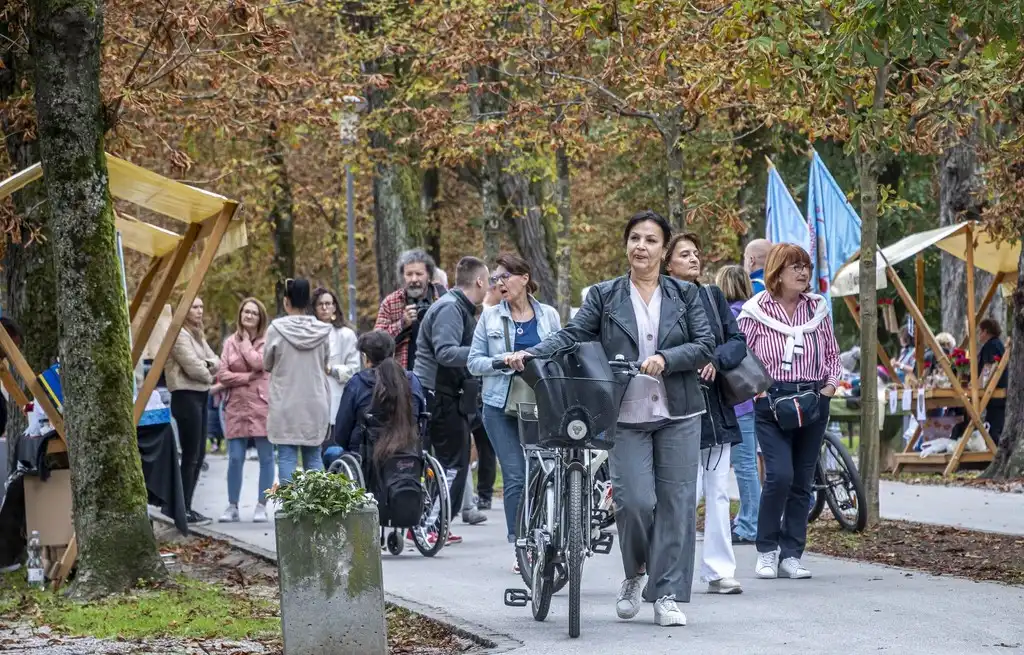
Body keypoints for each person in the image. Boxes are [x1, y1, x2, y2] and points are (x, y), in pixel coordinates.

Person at [505, 210, 715, 628]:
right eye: (635, 238)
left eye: (651, 240)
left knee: (675, 507)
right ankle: (636, 573)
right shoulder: (605, 295)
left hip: (679, 411)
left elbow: (705, 344)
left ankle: (667, 593)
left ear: (663, 249)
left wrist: (666, 359)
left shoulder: (686, 295)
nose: (641, 246)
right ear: (626, 245)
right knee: (634, 502)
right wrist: (533, 353)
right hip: (624, 412)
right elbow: (573, 334)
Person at [737, 243, 842, 580]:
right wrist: (761, 392)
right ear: (777, 271)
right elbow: (741, 355)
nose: (803, 272)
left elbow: (831, 354)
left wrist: (828, 388)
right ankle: (766, 550)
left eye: (806, 266)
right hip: (772, 402)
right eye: (795, 266)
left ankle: (791, 554)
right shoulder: (756, 310)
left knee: (802, 481)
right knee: (779, 475)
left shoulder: (818, 309)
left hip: (812, 400)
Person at [468, 252, 561, 570]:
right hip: (499, 406)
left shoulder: (548, 316)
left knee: (542, 474)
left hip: (539, 404)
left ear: (524, 278)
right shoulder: (490, 317)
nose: (498, 283)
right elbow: (473, 363)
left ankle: (544, 538)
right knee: (517, 476)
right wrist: (503, 360)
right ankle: (521, 547)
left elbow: (560, 355)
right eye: (494, 278)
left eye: (504, 276)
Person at [665, 234, 747, 595]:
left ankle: (718, 571)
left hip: (714, 409)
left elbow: (737, 341)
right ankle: (668, 570)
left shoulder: (713, 296)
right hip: (671, 406)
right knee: (681, 493)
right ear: (668, 264)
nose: (695, 259)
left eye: (696, 253)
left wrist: (716, 360)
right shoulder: (658, 299)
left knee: (716, 491)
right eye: (685, 255)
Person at [414, 256, 490, 546]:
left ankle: (434, 521)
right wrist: (485, 356)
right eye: (489, 281)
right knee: (454, 463)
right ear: (480, 281)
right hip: (438, 395)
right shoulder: (450, 309)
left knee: (453, 461)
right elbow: (445, 353)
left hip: (448, 394)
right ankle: (430, 524)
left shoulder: (459, 308)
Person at [333, 330, 426, 503]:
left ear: (366, 357)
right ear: (392, 353)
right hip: (408, 452)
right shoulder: (413, 381)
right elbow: (421, 420)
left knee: (332, 453)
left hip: (365, 458)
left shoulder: (357, 383)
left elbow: (341, 432)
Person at [265, 278, 332, 484]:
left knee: (286, 457)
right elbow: (325, 362)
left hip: (286, 402)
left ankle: (290, 511)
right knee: (314, 457)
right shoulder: (322, 331)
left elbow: (267, 363)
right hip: (315, 401)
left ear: (286, 301)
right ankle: (319, 511)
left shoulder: (275, 329)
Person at [714, 265, 762, 546]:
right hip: (750, 397)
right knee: (747, 465)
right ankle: (748, 518)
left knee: (744, 466)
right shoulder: (753, 312)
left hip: (737, 399)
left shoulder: (731, 317)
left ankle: (749, 524)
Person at [216, 298, 274, 524]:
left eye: (253, 313)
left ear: (260, 318)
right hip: (236, 406)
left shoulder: (267, 340)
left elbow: (260, 363)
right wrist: (247, 377)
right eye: (245, 312)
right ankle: (232, 505)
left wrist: (246, 345)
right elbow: (223, 375)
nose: (248, 315)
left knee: (266, 457)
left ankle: (262, 504)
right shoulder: (229, 342)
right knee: (235, 458)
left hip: (261, 404)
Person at [165, 297, 219, 524]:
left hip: (201, 395)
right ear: (184, 309)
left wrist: (208, 365)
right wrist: (208, 370)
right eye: (195, 306)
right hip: (185, 396)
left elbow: (216, 360)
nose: (199, 311)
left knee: (199, 454)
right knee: (190, 455)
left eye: (201, 306)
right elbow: (194, 367)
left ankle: (186, 505)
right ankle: (180, 507)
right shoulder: (178, 334)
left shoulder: (197, 335)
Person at [374, 249, 445, 371]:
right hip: (401, 376)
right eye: (409, 274)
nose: (413, 279)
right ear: (402, 276)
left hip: (437, 375)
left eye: (419, 274)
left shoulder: (443, 301)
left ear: (429, 275)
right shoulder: (391, 302)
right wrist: (401, 324)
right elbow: (375, 343)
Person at [312, 287, 360, 448]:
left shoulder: (346, 334)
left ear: (334, 307)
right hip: (311, 400)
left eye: (328, 304)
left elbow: (354, 369)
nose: (324, 308)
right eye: (320, 304)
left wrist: (331, 369)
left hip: (336, 400)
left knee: (332, 451)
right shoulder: (306, 334)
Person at [978, 318, 1007, 442]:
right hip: (1000, 393)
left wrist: (979, 385)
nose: (979, 335)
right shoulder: (998, 344)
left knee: (993, 429)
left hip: (995, 393)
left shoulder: (991, 346)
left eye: (980, 332)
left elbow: (988, 368)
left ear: (986, 331)